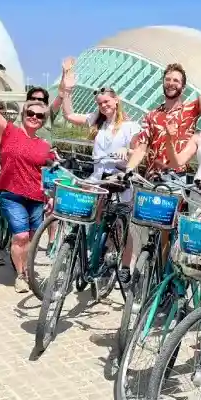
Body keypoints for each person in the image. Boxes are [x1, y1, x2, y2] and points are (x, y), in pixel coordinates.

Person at [123, 31, 201, 273]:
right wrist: (129, 169)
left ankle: (160, 277)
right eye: (168, 79)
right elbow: (141, 146)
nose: (171, 83)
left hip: (176, 179)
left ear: (182, 86)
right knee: (137, 225)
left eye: (176, 81)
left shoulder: (190, 110)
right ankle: (128, 270)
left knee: (164, 232)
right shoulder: (152, 115)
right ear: (163, 82)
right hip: (151, 178)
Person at [60, 73, 141, 281]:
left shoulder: (130, 126)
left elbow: (140, 151)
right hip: (98, 180)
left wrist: (127, 151)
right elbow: (69, 115)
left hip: (119, 181)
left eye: (107, 101)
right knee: (91, 218)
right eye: (100, 103)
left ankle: (125, 265)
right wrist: (67, 91)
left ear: (116, 100)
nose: (103, 106)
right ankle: (91, 254)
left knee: (122, 226)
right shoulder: (97, 122)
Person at [0, 67, 55, 294]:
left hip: (36, 197)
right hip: (12, 194)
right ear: (23, 114)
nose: (34, 118)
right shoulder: (9, 132)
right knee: (20, 236)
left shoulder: (44, 146)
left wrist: (51, 197)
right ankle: (21, 275)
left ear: (43, 121)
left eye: (39, 116)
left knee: (32, 238)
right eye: (30, 113)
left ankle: (27, 269)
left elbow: (50, 173)